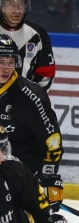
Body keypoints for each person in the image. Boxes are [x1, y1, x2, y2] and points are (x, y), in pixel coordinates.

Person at [0, 34, 62, 210]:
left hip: (21, 171)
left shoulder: (31, 96)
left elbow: (52, 139)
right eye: (1, 62)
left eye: (10, 62)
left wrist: (48, 176)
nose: (6, 68)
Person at [1, 0, 56, 91]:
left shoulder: (37, 35)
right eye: (11, 4)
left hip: (23, 103)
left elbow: (46, 74)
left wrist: (32, 99)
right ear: (1, 6)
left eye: (21, 4)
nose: (17, 10)